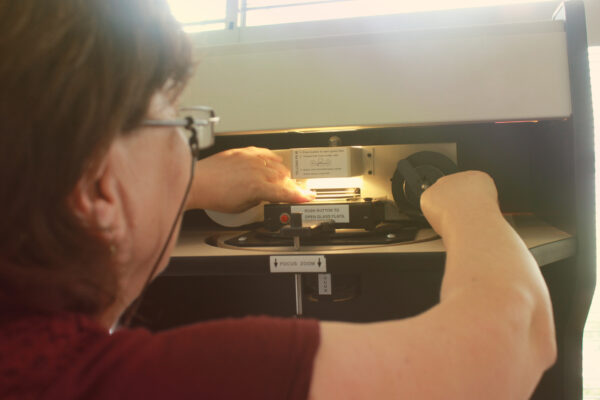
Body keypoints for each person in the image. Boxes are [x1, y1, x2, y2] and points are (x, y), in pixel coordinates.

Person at [0, 1, 556, 399]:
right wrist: (467, 202)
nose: (190, 147)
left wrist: (197, 186)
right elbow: (516, 335)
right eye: (180, 123)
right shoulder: (135, 380)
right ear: (98, 189)